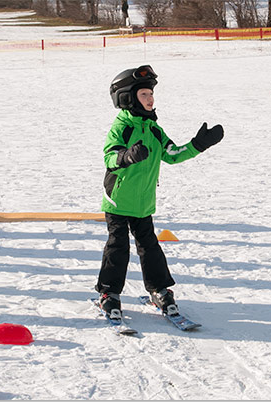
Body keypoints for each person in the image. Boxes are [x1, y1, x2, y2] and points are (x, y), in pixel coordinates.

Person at [94, 65, 224, 320]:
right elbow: (109, 156)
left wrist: (198, 145)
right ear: (127, 98)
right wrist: (127, 156)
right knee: (117, 247)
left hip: (143, 203)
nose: (151, 99)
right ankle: (109, 293)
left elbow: (172, 155)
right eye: (144, 94)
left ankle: (159, 289)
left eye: (151, 94)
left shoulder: (154, 129)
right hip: (118, 201)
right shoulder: (122, 126)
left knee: (150, 247)